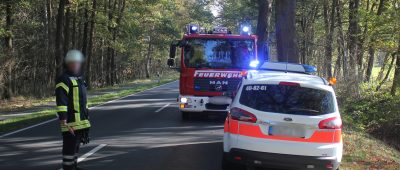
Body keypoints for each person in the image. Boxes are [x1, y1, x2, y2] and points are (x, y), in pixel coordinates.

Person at [55, 50, 91, 170]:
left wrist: (86, 116)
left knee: (76, 147)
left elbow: (83, 101)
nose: (75, 65)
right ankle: (68, 168)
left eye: (77, 63)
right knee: (69, 148)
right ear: (67, 64)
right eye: (72, 63)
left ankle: (73, 167)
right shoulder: (63, 79)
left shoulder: (80, 79)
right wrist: (63, 119)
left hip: (80, 121)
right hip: (69, 121)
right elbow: (61, 101)